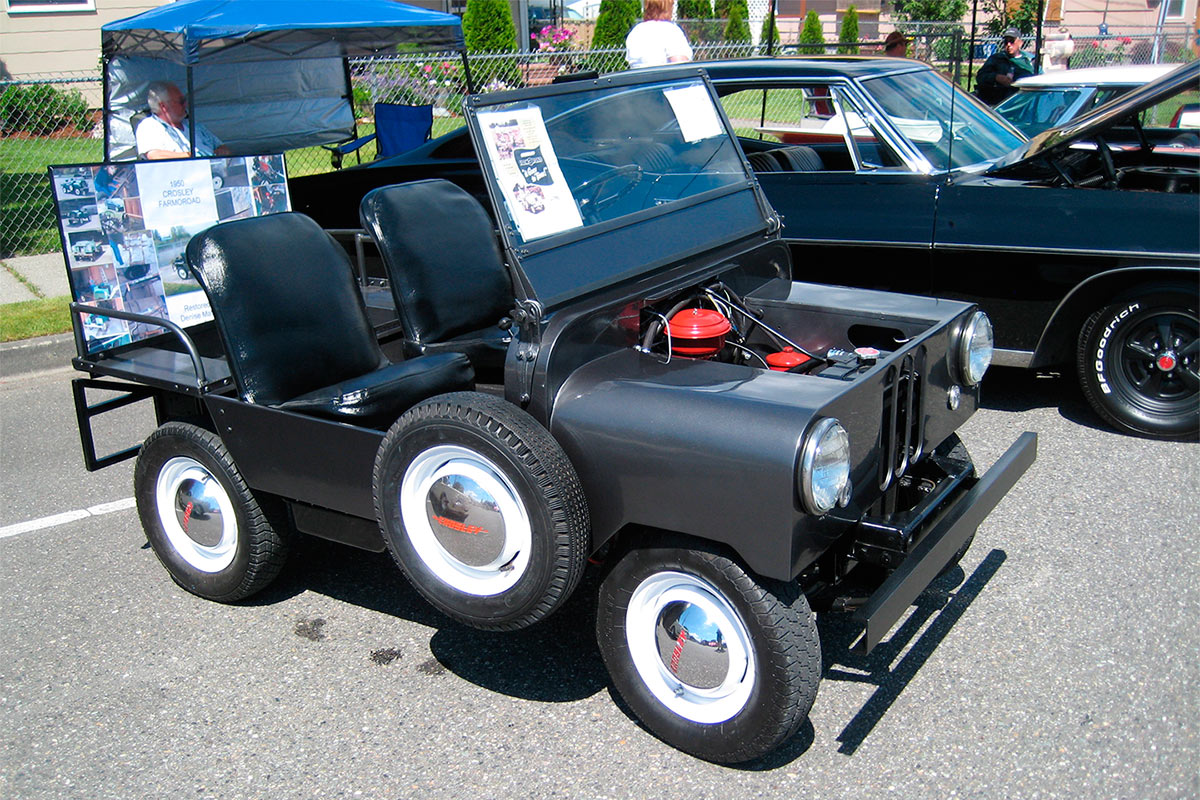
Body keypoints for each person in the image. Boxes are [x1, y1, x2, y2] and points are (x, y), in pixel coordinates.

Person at [135, 81, 230, 160]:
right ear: (163, 106)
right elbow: (154, 155)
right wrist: (190, 156)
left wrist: (222, 150)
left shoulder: (193, 125)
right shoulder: (149, 126)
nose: (185, 105)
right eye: (181, 102)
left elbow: (220, 145)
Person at [625, 0, 693, 70]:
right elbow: (681, 66)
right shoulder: (670, 30)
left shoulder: (635, 32)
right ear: (667, 8)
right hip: (665, 79)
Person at [975, 28, 1035, 106]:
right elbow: (980, 77)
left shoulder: (1029, 61)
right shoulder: (996, 59)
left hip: (1022, 104)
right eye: (1006, 42)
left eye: (1012, 41)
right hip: (999, 104)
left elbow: (1040, 79)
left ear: (1020, 43)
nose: (1008, 45)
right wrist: (996, 77)